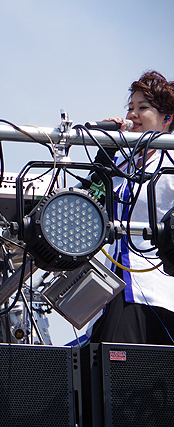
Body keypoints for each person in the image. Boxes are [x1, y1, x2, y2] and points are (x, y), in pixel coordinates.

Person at [89, 70, 174, 345]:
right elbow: (90, 199)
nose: (133, 114)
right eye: (130, 108)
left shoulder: (171, 161)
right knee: (99, 360)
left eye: (143, 107)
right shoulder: (123, 163)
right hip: (114, 286)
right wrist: (106, 150)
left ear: (167, 117)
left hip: (157, 289)